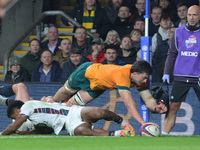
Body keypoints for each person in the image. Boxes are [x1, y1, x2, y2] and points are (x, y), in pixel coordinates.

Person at [50, 60, 167, 135]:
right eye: (144, 77)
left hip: (97, 88)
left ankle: (55, 124)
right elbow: (129, 103)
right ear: (135, 74)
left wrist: (156, 107)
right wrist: (143, 123)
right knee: (60, 96)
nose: (145, 81)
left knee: (72, 106)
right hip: (85, 74)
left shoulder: (139, 78)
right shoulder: (123, 74)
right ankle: (47, 106)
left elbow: (148, 99)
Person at [0, 83, 132, 136]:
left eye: (15, 117)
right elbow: (39, 131)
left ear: (18, 111)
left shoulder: (27, 106)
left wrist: (2, 134)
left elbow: (12, 127)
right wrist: (21, 134)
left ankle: (122, 121)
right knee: (84, 131)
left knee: (98, 112)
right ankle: (118, 133)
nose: (17, 120)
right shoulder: (34, 118)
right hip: (68, 124)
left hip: (71, 111)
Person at [161, 5, 200, 135]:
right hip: (181, 75)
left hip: (198, 76)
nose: (192, 18)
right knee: (173, 107)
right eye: (189, 15)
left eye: (195, 15)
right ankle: (164, 134)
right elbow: (172, 53)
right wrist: (166, 72)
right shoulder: (178, 32)